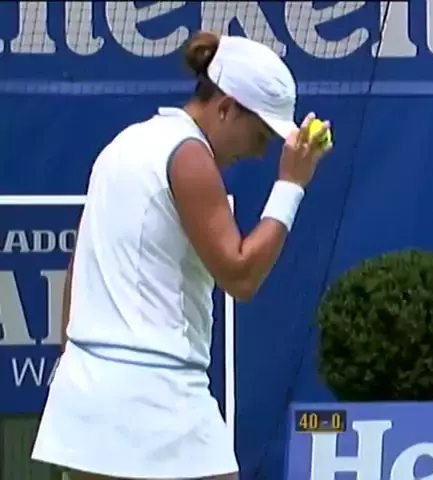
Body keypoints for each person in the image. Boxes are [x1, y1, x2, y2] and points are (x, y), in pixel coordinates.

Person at [31, 31, 331, 480]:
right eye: (260, 134)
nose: (261, 151)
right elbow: (241, 275)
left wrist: (75, 369)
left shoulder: (125, 144)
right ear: (226, 107)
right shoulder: (189, 156)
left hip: (86, 395)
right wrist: (291, 184)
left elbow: (79, 267)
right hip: (154, 399)